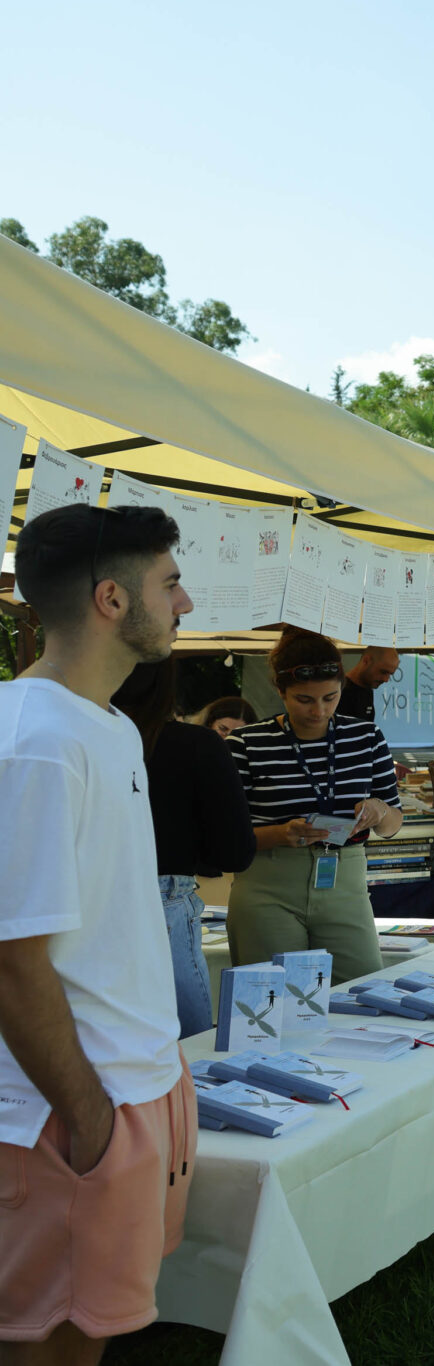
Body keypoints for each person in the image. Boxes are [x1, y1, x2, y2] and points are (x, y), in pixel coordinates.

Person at [0, 505, 199, 1360]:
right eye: (170, 582)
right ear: (112, 600)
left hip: (137, 1082)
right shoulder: (36, 740)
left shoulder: (110, 727)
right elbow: (11, 962)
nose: (185, 602)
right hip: (73, 1107)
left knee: (93, 1334)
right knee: (51, 1346)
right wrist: (88, 1117)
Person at [224, 628, 404, 984]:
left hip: (346, 880)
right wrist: (278, 834)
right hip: (268, 885)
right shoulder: (245, 743)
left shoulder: (366, 736)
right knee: (273, 1005)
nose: (319, 711)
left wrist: (378, 812)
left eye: (331, 697)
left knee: (362, 992)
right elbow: (224, 837)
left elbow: (394, 822)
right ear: (280, 689)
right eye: (304, 699)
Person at [112, 658, 258, 1038]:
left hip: (72, 899)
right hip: (164, 896)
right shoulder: (193, 745)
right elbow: (235, 850)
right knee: (186, 1046)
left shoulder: (56, 736)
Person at [337, 645, 400, 723]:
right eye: (383, 672)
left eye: (390, 674)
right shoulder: (338, 691)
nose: (386, 679)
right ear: (366, 661)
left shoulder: (367, 689)